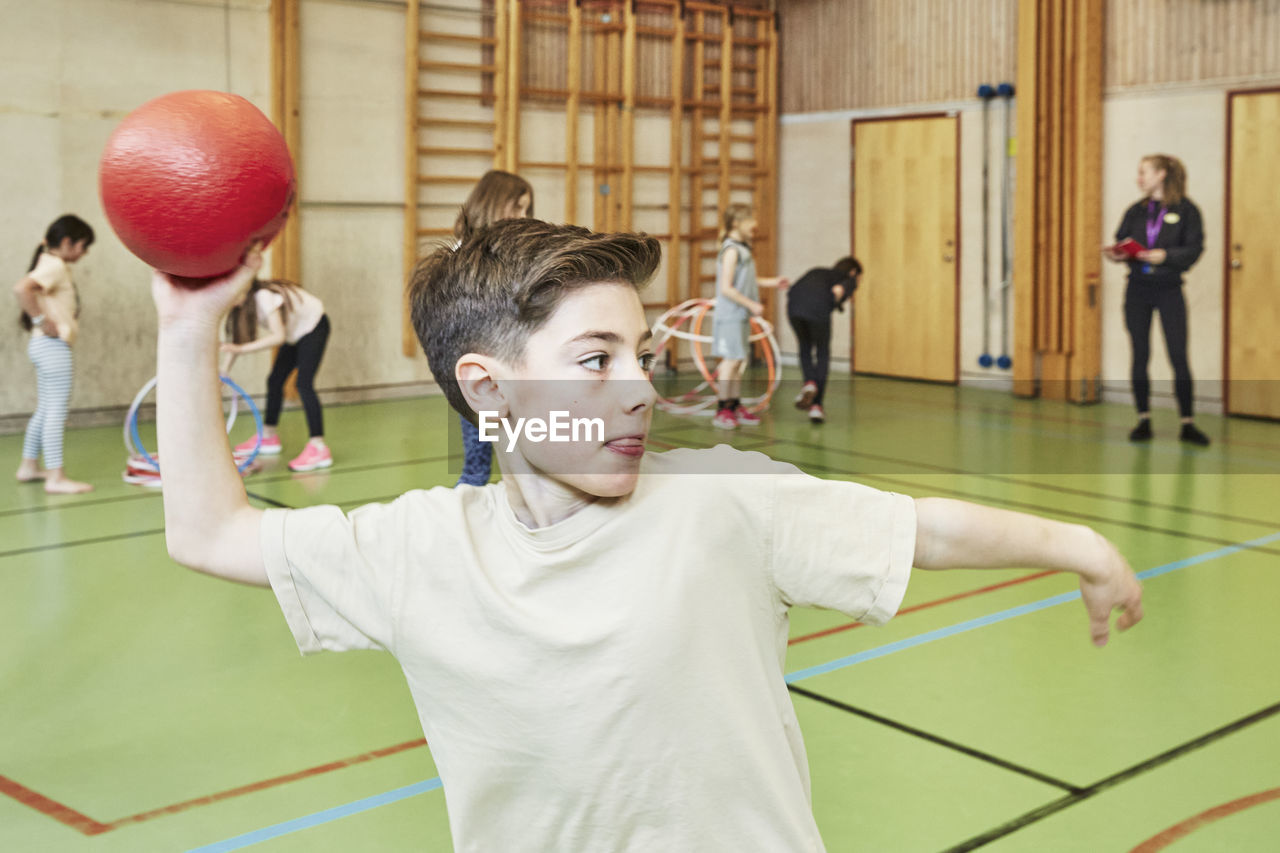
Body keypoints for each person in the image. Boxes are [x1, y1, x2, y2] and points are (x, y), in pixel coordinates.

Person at [153, 218, 1143, 852]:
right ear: (488, 389)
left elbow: (918, 527)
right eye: (595, 357)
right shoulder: (419, 551)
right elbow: (207, 531)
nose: (636, 383)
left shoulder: (721, 503)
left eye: (642, 352)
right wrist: (190, 323)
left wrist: (1075, 544)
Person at [1104, 154, 1209, 446]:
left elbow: (1195, 248)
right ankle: (1143, 419)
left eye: (1143, 172)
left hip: (1169, 289)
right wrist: (1117, 253)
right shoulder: (1135, 211)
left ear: (1161, 175)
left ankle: (1187, 423)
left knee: (1178, 355)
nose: (1139, 178)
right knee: (1140, 354)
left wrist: (1166, 256)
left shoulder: (1187, 211)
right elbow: (1121, 239)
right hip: (1138, 288)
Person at [452, 169, 534, 486]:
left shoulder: (513, 250)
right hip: (480, 371)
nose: (522, 216)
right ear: (494, 204)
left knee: (522, 456)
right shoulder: (465, 252)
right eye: (517, 207)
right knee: (477, 462)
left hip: (512, 366)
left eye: (527, 209)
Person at [12, 215, 95, 494]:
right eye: (84, 246)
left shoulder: (50, 263)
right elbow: (22, 288)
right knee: (56, 412)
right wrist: (39, 320)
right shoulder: (55, 265)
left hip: (43, 347)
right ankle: (56, 477)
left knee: (46, 409)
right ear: (68, 242)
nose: (84, 253)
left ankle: (29, 466)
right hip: (52, 348)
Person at [222, 277, 332, 472]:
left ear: (243, 289)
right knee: (274, 381)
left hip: (315, 327)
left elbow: (278, 336)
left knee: (303, 384)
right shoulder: (241, 307)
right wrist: (224, 372)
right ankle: (268, 436)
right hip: (295, 334)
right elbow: (236, 342)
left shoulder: (262, 297)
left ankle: (318, 447)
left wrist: (242, 349)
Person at [711, 204, 789, 429]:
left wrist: (772, 282)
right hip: (730, 315)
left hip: (740, 315)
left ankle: (734, 405)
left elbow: (744, 282)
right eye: (750, 221)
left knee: (737, 360)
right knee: (730, 362)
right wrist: (751, 305)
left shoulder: (743, 248)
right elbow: (726, 288)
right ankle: (722, 409)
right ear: (736, 223)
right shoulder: (732, 250)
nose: (754, 225)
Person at [786, 256, 861, 424]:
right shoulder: (849, 278)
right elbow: (839, 289)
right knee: (822, 353)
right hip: (818, 309)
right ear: (853, 272)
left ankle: (809, 382)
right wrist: (842, 291)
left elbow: (793, 289)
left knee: (805, 347)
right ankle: (816, 406)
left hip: (794, 308)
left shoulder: (817, 271)